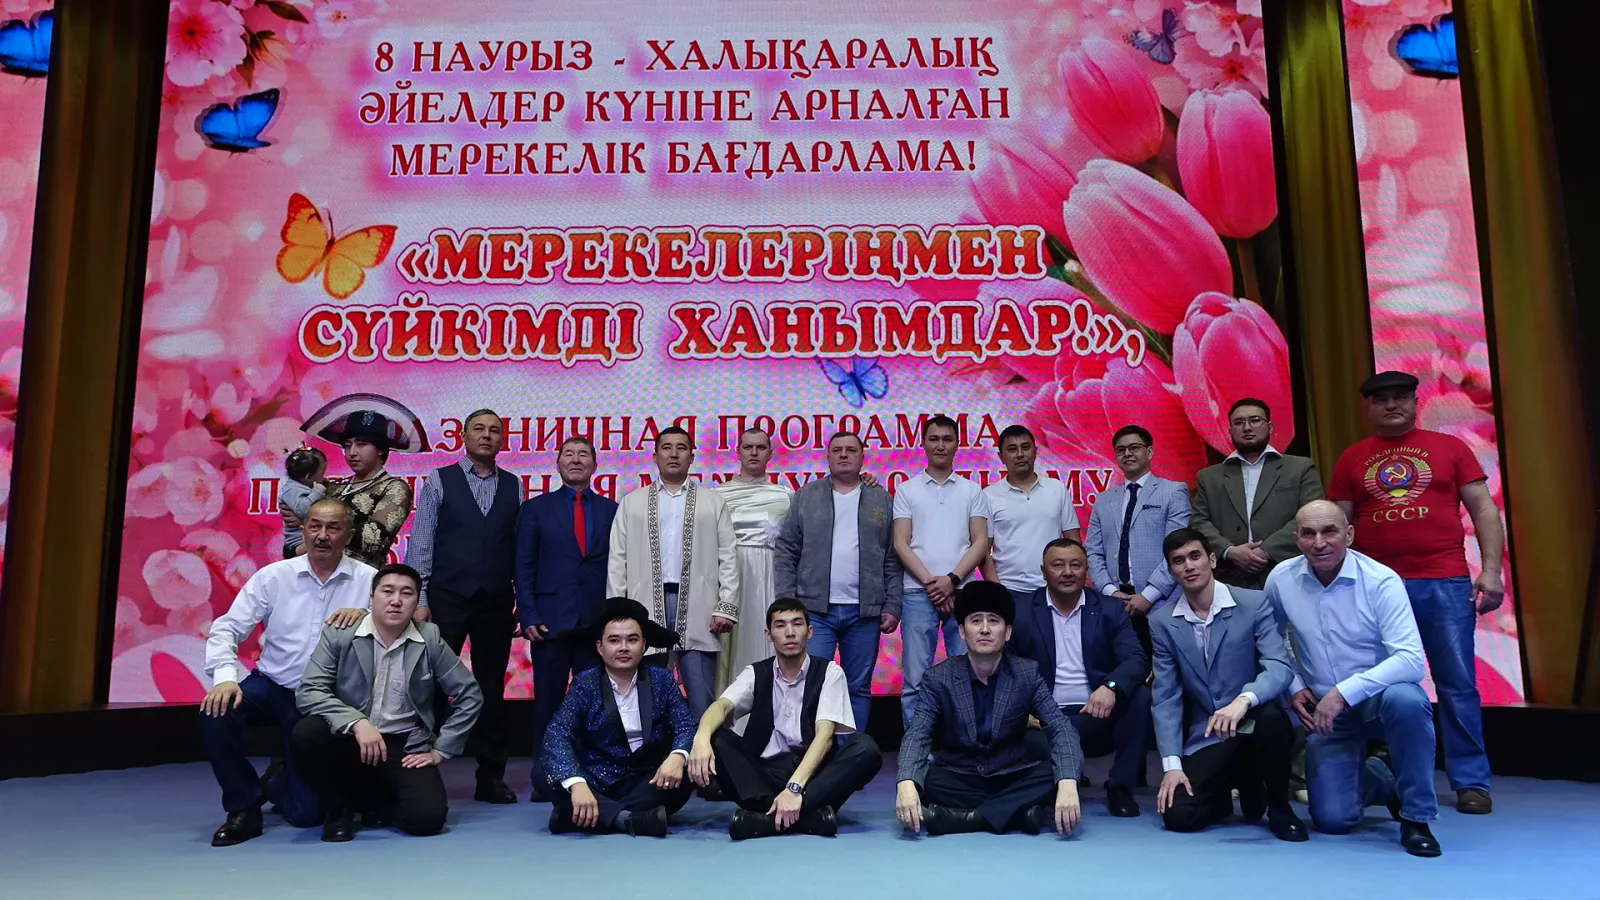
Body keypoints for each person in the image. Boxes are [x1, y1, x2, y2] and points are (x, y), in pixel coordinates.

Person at [1329, 370, 1504, 815]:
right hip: (1374, 589)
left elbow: (1484, 510)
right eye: (1381, 399)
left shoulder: (1451, 448)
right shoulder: (1351, 459)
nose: (1391, 405)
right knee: (1372, 682)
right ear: (1368, 407)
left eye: (1400, 397)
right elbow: (1337, 529)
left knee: (1457, 683)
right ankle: (1380, 775)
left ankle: (1471, 781)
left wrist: (1490, 571)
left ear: (1415, 401)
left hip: (1443, 581)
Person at [1266, 500, 1441, 857]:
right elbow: (1270, 640)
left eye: (1329, 531)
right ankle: (1382, 778)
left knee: (1409, 700)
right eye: (1308, 534)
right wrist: (1294, 685)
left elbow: (1411, 660)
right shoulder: (1281, 579)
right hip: (1325, 708)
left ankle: (1416, 818)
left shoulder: (1381, 580)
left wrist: (1343, 693)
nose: (1319, 543)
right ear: (1297, 539)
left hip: (1380, 697)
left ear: (1349, 535)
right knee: (1333, 820)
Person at [199, 498, 373, 846]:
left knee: (305, 815)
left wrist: (368, 616)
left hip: (326, 699)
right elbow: (227, 628)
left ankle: (278, 780)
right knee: (215, 711)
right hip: (273, 686)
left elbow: (400, 628)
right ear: (303, 530)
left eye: (333, 528)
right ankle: (243, 807)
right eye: (315, 526)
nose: (322, 535)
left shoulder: (369, 581)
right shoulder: (274, 576)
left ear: (349, 535)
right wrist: (225, 679)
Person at [291, 564, 483, 841]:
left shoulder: (429, 637)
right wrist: (356, 722)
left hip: (403, 744)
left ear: (416, 602)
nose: (396, 600)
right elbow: (309, 690)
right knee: (307, 733)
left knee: (427, 820)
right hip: (349, 738)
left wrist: (442, 749)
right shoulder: (341, 632)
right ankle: (339, 809)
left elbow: (470, 694)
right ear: (371, 597)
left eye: (407, 593)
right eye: (387, 591)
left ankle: (375, 801)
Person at [1151, 528, 1305, 841]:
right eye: (1178, 561)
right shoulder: (1162, 621)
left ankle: (1279, 807)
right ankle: (1225, 793)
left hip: (1253, 724)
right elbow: (1166, 697)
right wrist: (1171, 765)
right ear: (1171, 571)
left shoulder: (1253, 602)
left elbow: (1279, 667)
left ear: (1211, 560)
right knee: (1178, 816)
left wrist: (1244, 699)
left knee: (1271, 716)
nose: (1188, 566)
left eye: (1195, 556)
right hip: (1208, 735)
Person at [895, 582, 1084, 837]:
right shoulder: (938, 678)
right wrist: (906, 782)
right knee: (924, 779)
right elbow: (918, 734)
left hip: (1011, 775)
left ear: (1007, 632)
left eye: (993, 621)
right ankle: (1016, 813)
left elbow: (1061, 729)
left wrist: (1068, 783)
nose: (985, 629)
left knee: (1059, 771)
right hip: (957, 777)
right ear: (962, 631)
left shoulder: (1027, 673)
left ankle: (968, 819)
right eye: (976, 621)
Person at [688, 599, 884, 839]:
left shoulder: (830, 672)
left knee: (865, 748)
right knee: (714, 735)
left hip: (811, 778)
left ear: (809, 632)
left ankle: (766, 821)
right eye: (780, 625)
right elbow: (721, 706)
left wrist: (794, 788)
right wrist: (701, 738)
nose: (790, 632)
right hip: (763, 777)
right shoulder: (756, 672)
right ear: (768, 635)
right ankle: (809, 819)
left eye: (797, 624)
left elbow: (824, 737)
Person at [403, 408, 521, 804]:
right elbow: (421, 542)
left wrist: (522, 598)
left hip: (495, 601)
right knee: (431, 685)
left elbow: (518, 547)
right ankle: (420, 769)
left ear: (502, 440)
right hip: (445, 598)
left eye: (494, 430)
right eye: (478, 429)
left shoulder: (515, 485)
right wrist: (420, 599)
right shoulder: (439, 480)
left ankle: (491, 777)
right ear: (464, 436)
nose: (486, 435)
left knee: (491, 689)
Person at [1007, 538, 1150, 817]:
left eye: (1075, 565)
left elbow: (1136, 659)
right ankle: (1060, 779)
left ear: (1086, 571)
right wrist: (1020, 711)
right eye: (1058, 565)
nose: (1067, 572)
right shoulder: (1020, 610)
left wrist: (1110, 687)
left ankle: (1120, 787)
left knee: (1139, 697)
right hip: (1043, 720)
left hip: (1095, 714)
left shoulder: (1109, 608)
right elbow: (1003, 667)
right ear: (1043, 572)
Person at [607, 426, 739, 718]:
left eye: (681, 448)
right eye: (666, 447)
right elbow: (617, 559)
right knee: (647, 690)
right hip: (644, 603)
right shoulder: (632, 502)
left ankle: (703, 747)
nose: (674, 454)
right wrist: (617, 611)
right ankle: (651, 747)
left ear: (692, 457)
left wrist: (726, 605)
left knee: (701, 693)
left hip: (700, 603)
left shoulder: (712, 501)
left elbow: (728, 555)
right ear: (655, 456)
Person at [773, 431, 902, 730]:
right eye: (837, 450)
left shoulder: (881, 499)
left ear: (862, 457)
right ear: (828, 457)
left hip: (864, 613)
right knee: (810, 684)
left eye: (851, 450)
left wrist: (893, 604)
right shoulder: (807, 496)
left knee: (857, 687)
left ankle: (850, 752)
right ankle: (810, 750)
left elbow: (892, 558)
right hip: (815, 611)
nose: (844, 455)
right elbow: (786, 550)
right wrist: (787, 602)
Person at [540, 598, 696, 837]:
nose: (623, 647)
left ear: (644, 645)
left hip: (648, 780)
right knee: (545, 775)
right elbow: (557, 733)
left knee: (683, 774)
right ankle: (629, 819)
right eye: (614, 640)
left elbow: (685, 725)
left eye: (632, 640)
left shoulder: (662, 680)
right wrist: (577, 783)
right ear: (600, 647)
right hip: (597, 779)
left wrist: (677, 756)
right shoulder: (585, 684)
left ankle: (580, 816)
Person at [517, 435, 617, 800]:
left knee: (595, 705)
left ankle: (592, 776)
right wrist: (528, 612)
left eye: (583, 455)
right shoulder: (535, 509)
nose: (576, 460)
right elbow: (523, 564)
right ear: (558, 463)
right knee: (548, 703)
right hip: (549, 622)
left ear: (595, 465)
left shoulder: (611, 510)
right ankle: (546, 777)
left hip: (594, 624)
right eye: (568, 454)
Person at [893, 414, 990, 728]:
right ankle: (917, 747)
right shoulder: (907, 490)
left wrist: (951, 580)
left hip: (962, 593)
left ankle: (965, 744)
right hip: (917, 593)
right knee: (915, 680)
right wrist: (933, 585)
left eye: (947, 439)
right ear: (922, 443)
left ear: (957, 445)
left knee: (969, 674)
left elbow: (980, 542)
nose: (940, 445)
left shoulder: (972, 490)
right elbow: (900, 543)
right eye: (934, 439)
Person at [1189, 399, 1324, 589]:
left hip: (1289, 573)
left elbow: (1312, 516)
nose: (1247, 427)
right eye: (1239, 422)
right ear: (1230, 430)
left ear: (1270, 426)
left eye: (1255, 420)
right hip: (1230, 577)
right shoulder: (1209, 476)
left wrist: (1266, 551)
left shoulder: (1300, 468)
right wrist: (1230, 551)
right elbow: (1199, 522)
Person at [1084, 424, 1191, 655]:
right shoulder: (1104, 500)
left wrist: (1148, 596)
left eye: (1134, 447)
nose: (1127, 454)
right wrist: (1110, 593)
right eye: (1121, 450)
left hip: (1161, 603)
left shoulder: (1172, 491)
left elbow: (1177, 551)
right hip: (1115, 606)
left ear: (1149, 452)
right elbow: (1093, 551)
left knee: (1165, 670)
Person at [713, 427, 794, 690]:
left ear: (770, 453)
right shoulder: (717, 496)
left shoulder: (785, 496)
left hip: (768, 578)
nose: (754, 452)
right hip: (728, 577)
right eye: (748, 447)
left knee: (766, 637)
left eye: (761, 447)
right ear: (737, 452)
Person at [980, 424, 1082, 604]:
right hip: (1009, 589)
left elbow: (1073, 541)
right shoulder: (988, 495)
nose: (1020, 454)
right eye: (1012, 449)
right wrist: (997, 590)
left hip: (1055, 588)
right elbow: (983, 551)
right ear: (1001, 457)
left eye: (1025, 447)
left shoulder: (1056, 488)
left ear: (1035, 451)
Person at [280, 446, 327, 560]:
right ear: (308, 477)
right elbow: (303, 510)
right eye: (322, 473)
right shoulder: (293, 490)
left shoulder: (303, 485)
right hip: (298, 541)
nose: (323, 477)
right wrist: (317, 492)